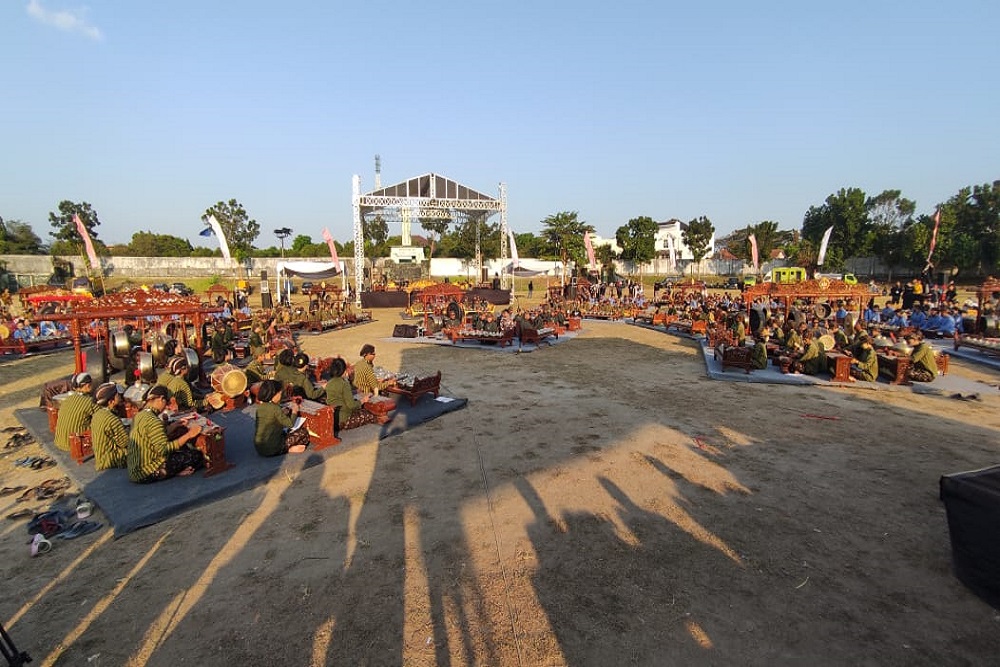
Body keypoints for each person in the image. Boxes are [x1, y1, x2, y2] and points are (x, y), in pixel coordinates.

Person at [127, 385, 205, 483]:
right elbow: (164, 449)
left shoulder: (140, 415)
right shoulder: (153, 420)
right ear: (160, 399)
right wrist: (189, 435)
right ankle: (172, 472)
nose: (167, 406)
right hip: (146, 472)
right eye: (166, 402)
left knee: (180, 451)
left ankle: (174, 471)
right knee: (197, 456)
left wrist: (174, 425)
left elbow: (155, 435)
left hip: (135, 469)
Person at [325, 358, 386, 430]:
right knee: (369, 415)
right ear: (344, 371)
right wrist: (363, 400)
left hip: (332, 418)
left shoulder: (329, 383)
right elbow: (351, 406)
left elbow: (339, 394)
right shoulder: (344, 384)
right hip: (343, 420)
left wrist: (356, 392)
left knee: (361, 410)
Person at [253, 379, 308, 456]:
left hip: (259, 448)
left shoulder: (260, 407)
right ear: (274, 394)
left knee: (283, 432)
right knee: (303, 433)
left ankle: (283, 447)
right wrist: (295, 411)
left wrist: (282, 412)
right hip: (272, 449)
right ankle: (287, 449)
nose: (280, 395)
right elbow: (290, 424)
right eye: (280, 393)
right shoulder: (275, 408)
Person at [54, 373, 96, 451]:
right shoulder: (89, 401)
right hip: (74, 444)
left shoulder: (67, 399)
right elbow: (102, 415)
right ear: (87, 385)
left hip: (60, 441)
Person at [91, 382, 128, 470]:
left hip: (101, 457)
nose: (120, 396)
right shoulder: (112, 419)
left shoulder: (97, 414)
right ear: (111, 401)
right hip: (110, 459)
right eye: (117, 395)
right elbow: (125, 443)